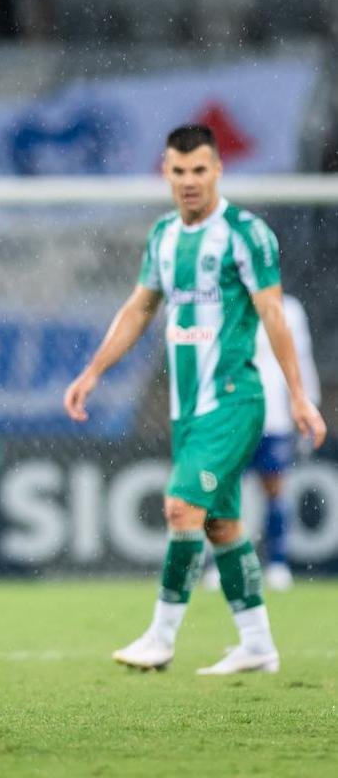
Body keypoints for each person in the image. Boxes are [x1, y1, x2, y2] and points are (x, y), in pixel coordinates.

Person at [63, 124, 327, 676]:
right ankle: (257, 642)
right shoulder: (163, 235)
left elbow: (274, 315)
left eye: (199, 170)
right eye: (178, 171)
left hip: (234, 399)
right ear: (166, 172)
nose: (188, 181)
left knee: (181, 507)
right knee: (220, 524)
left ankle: (161, 637)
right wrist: (93, 372)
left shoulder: (245, 233)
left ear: (217, 171)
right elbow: (138, 308)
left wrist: (300, 398)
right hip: (188, 409)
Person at [202, 294, 321, 592]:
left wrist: (308, 404)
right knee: (226, 492)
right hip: (232, 418)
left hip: (273, 417)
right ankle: (221, 564)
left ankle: (278, 564)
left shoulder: (289, 309)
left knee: (275, 489)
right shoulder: (223, 304)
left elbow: (300, 360)